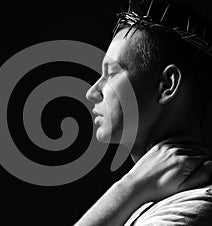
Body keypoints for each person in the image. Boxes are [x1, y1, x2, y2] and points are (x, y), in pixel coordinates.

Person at [75, 0, 212, 225]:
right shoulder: (147, 200)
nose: (92, 92)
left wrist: (130, 187)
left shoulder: (193, 207)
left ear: (167, 85)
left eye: (111, 73)